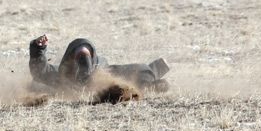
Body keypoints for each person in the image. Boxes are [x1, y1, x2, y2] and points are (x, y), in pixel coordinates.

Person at [29, 35, 169, 93]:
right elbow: (39, 72)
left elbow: (141, 72)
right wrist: (37, 49)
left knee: (144, 76)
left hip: (100, 68)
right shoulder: (61, 79)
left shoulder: (103, 73)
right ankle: (158, 68)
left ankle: (158, 68)